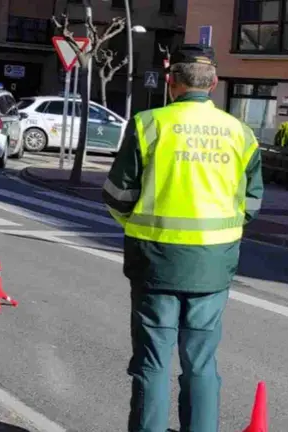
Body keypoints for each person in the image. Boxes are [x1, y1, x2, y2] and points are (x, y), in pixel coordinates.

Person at [102, 44, 264, 432]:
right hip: (212, 265)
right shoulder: (240, 133)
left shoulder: (148, 124)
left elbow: (117, 194)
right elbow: (252, 202)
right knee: (201, 363)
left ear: (172, 82)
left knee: (152, 362)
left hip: (155, 263)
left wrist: (138, 226)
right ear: (214, 83)